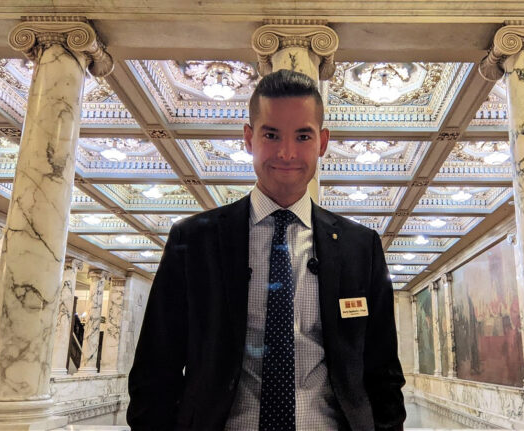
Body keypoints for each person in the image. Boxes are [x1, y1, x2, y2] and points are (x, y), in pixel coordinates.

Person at [127, 69, 406, 431]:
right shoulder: (194, 241)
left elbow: (383, 374)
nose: (287, 153)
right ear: (248, 138)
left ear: (322, 142)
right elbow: (155, 371)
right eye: (271, 134)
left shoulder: (360, 247)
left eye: (302, 136)